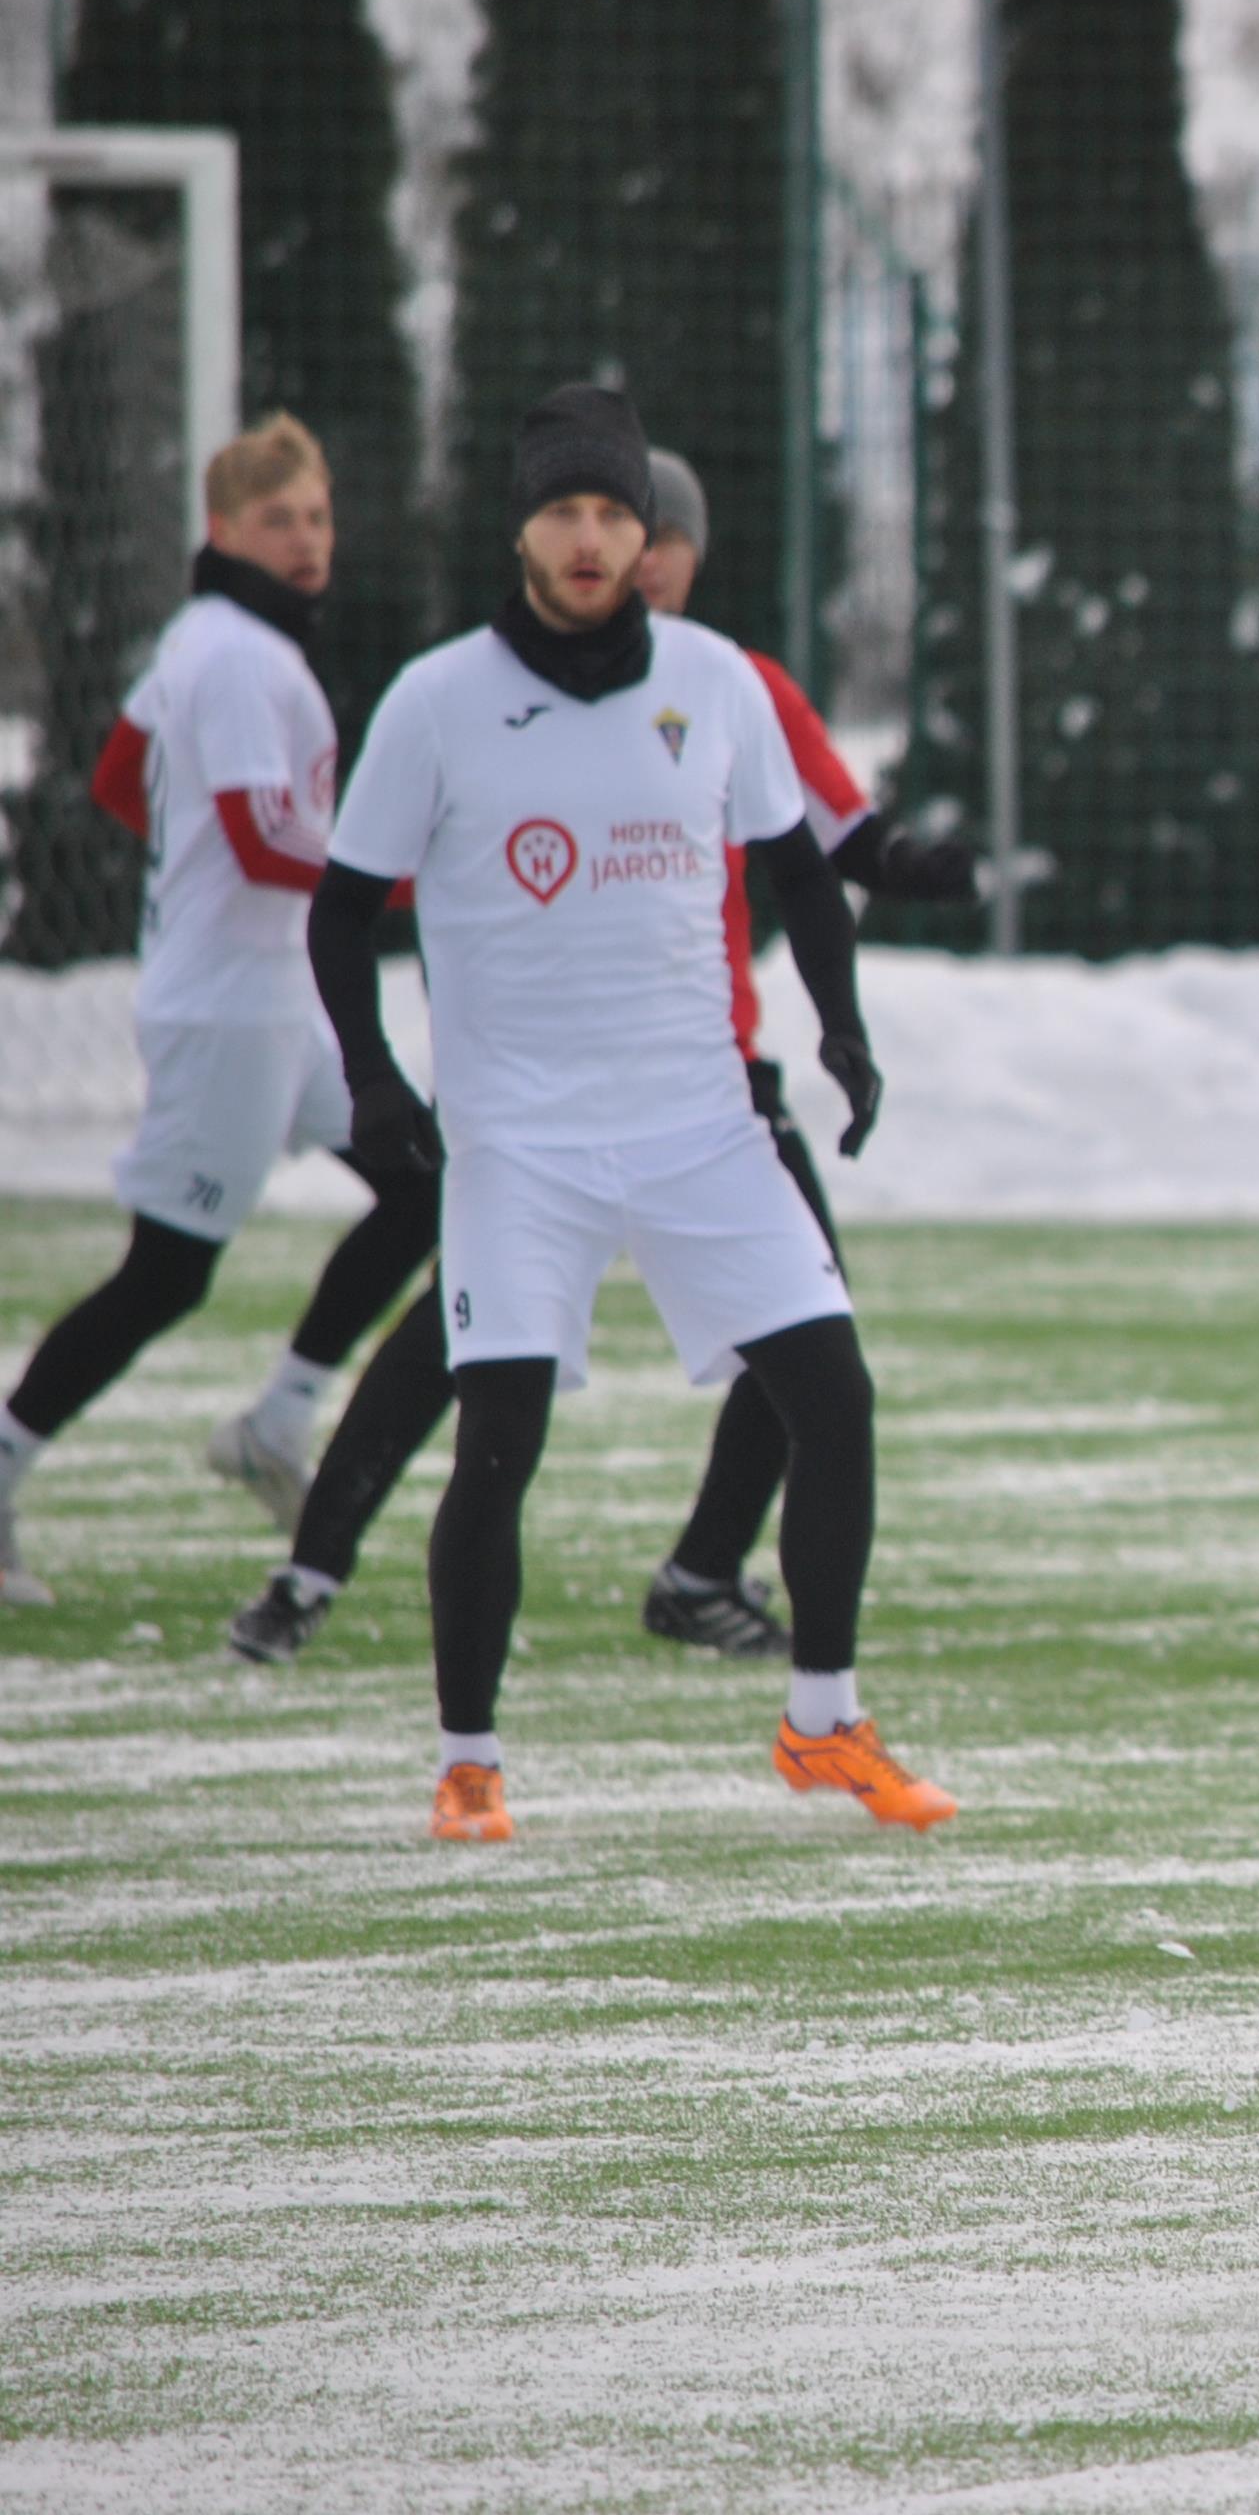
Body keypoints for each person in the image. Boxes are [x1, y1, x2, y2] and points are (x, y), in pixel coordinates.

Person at [307, 384, 952, 1842]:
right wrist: (373, 1076)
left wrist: (839, 1030)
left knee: (832, 1395)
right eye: (565, 511)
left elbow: (797, 870)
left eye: (615, 514)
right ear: (523, 529)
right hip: (518, 1145)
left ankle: (824, 1722)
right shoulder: (438, 700)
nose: (593, 539)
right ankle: (469, 1761)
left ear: (644, 533)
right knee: (500, 1441)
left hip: (699, 1125)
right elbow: (343, 915)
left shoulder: (716, 682)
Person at [0, 414, 439, 1607]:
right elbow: (256, 834)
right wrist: (401, 874)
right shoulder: (240, 654)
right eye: (278, 522)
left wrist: (196, 862)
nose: (306, 542)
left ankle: (277, 1421)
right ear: (225, 530)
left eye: (317, 518)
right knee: (168, 1277)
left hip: (277, 998)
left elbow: (115, 777)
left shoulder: (207, 635)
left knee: (429, 1182)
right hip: (226, 1013)